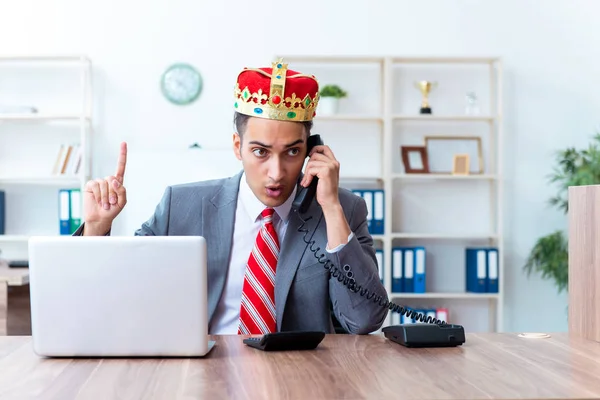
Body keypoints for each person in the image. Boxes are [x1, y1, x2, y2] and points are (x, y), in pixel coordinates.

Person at [76, 59, 388, 335]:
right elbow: (117, 292)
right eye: (260, 152)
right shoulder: (181, 205)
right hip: (203, 369)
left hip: (300, 375)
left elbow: (363, 320)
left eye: (292, 151)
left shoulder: (344, 208)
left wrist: (331, 208)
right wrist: (96, 228)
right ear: (237, 146)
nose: (276, 172)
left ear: (311, 149)